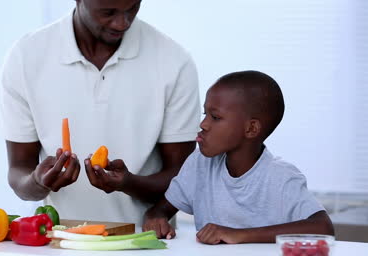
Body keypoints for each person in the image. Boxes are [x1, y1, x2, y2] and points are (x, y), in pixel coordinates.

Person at [0, 0, 200, 225]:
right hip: (59, 243)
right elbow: (18, 172)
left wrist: (127, 183)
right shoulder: (26, 57)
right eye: (108, 12)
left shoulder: (174, 61)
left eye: (133, 7)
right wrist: (38, 181)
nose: (122, 23)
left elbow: (183, 179)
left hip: (146, 245)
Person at [142, 70, 334, 244]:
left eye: (215, 117)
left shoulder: (281, 177)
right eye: (205, 114)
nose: (203, 124)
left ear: (251, 129)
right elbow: (162, 209)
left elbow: (323, 228)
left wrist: (238, 234)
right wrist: (156, 218)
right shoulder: (200, 163)